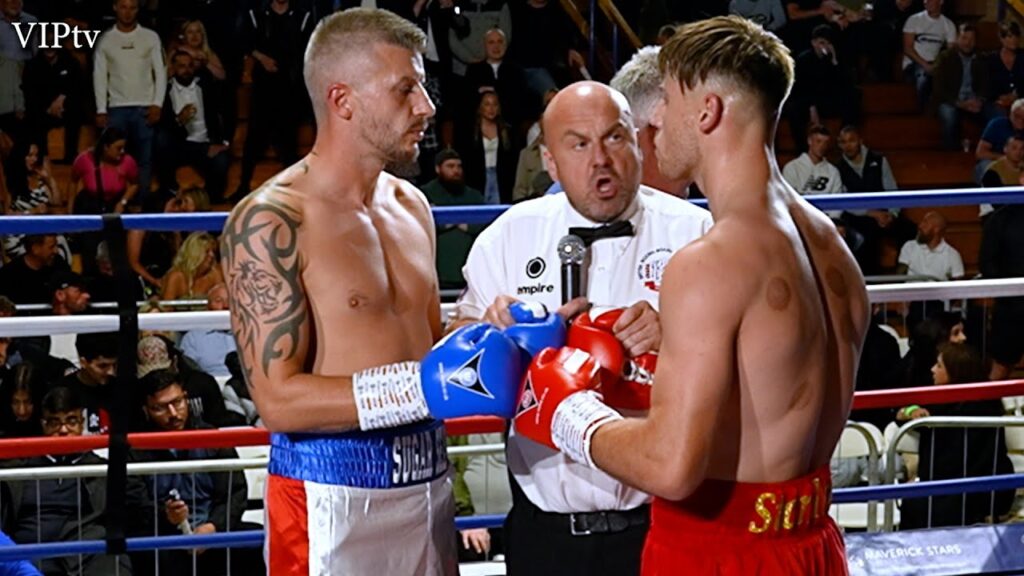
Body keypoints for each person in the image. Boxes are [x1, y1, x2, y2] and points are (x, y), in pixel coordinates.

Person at [513, 16, 868, 574]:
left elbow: (670, 466)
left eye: (668, 102)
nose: (655, 121)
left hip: (719, 547)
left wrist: (564, 409)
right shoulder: (831, 247)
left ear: (707, 112)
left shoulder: (710, 261)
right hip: (813, 541)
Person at [221, 9, 525, 574]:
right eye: (405, 89)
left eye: (424, 87)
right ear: (343, 100)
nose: (427, 107)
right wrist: (419, 389)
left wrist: (489, 330)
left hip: (427, 481)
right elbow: (278, 400)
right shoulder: (271, 221)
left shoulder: (412, 206)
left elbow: (425, 345)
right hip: (329, 496)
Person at [452, 81, 712, 576]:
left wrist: (676, 336)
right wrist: (490, 334)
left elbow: (740, 369)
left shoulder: (696, 235)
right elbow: (459, 353)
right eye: (579, 143)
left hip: (662, 524)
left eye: (614, 138)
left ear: (640, 143)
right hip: (545, 533)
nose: (601, 159)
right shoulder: (507, 237)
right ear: (549, 162)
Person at [898, 342, 1015, 529]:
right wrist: (911, 410)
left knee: (918, 503)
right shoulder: (939, 401)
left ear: (956, 371)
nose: (932, 370)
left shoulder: (982, 407)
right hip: (950, 490)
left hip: (975, 490)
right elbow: (900, 413)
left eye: (939, 365)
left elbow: (960, 462)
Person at [160, 231, 223, 301]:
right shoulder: (176, 277)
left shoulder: (214, 275)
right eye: (207, 251)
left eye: (213, 251)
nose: (212, 255)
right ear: (194, 253)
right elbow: (166, 308)